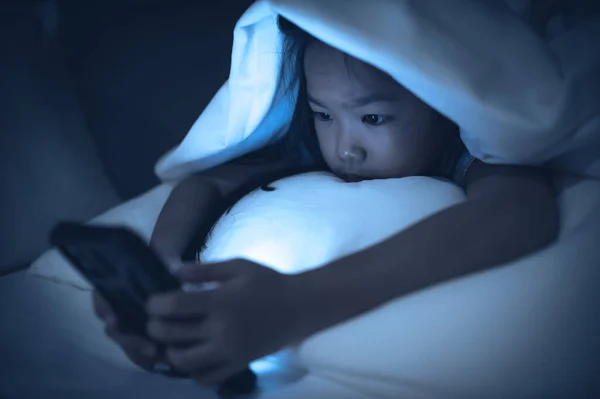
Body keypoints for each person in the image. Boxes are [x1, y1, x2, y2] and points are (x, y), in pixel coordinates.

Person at [93, 16, 559, 385]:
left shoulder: (465, 158)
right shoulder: (310, 154)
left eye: (373, 117)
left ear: (443, 107)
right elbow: (208, 182)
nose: (344, 148)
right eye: (323, 114)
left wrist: (298, 302)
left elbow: (518, 209)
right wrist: (161, 271)